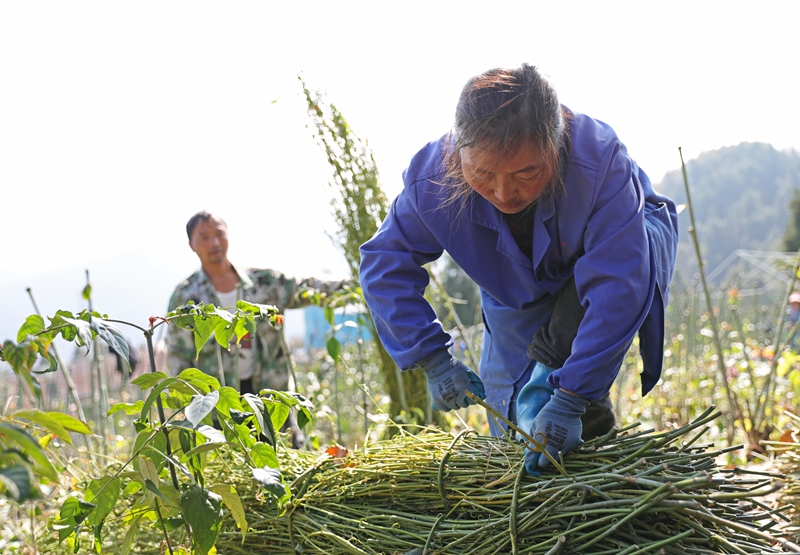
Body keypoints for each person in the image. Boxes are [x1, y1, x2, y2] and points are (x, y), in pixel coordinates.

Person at [359, 64, 678, 475]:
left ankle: (589, 446)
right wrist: (431, 357)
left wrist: (570, 400)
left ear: (556, 145)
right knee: (513, 407)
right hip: (513, 281)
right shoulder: (433, 181)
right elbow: (385, 264)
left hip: (623, 251)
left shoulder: (598, 164)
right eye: (482, 174)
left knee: (569, 390)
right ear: (459, 155)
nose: (504, 192)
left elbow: (618, 286)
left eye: (526, 172)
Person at [166, 211, 347, 396]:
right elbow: (178, 353)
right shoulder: (186, 297)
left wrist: (361, 286)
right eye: (204, 237)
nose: (215, 243)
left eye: (219, 234)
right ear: (191, 245)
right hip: (218, 406)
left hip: (272, 397)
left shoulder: (266, 283)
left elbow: (312, 289)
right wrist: (190, 401)